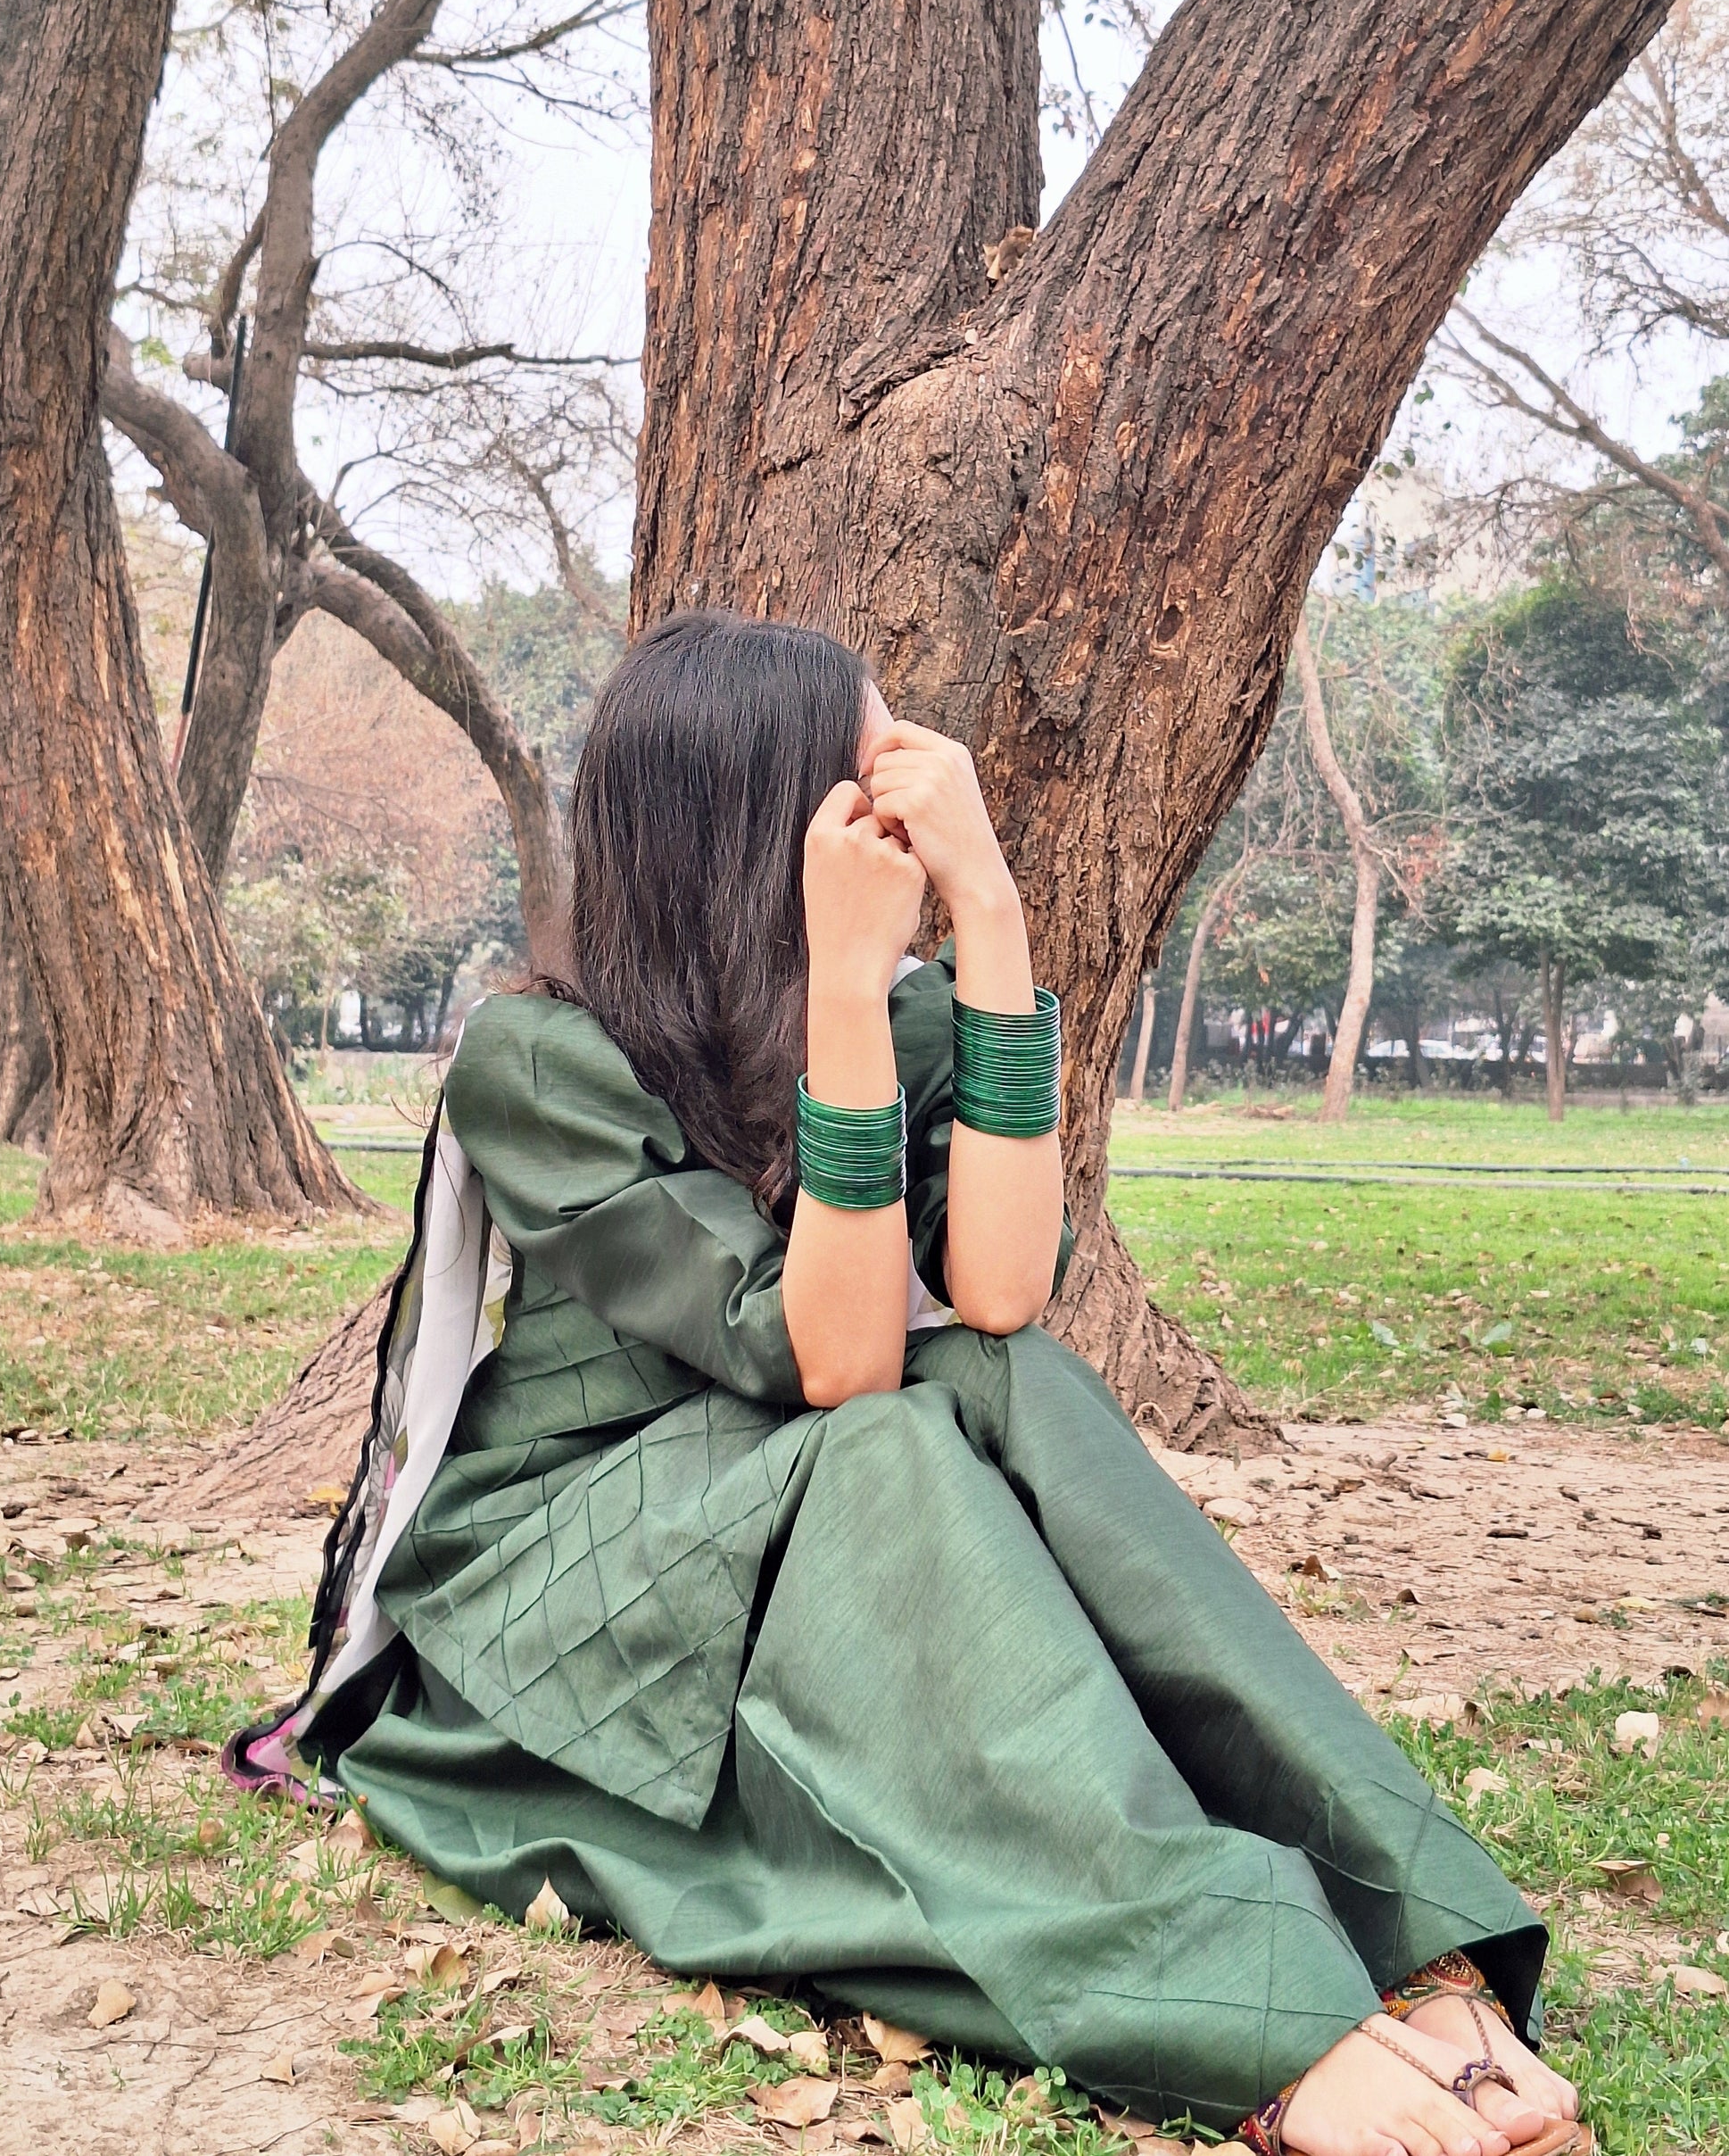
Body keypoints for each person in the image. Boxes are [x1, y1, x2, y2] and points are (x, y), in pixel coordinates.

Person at [232, 616, 1584, 2156]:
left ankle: (1416, 1951)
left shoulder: (918, 1009)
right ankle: (1252, 2009)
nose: (911, 806)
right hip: (579, 1567)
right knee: (885, 1433)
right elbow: (836, 1358)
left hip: (796, 1511)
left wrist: (991, 915)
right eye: (875, 777)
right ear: (764, 821)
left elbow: (999, 1293)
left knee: (1013, 1379)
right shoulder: (542, 1062)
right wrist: (843, 999)